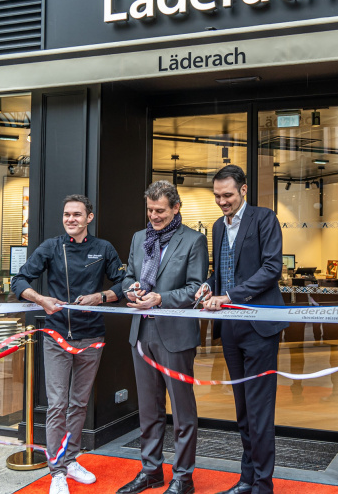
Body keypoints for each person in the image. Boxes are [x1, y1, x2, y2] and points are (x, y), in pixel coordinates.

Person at [12, 194, 125, 494]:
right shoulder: (51, 246)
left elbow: (123, 285)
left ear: (89, 218)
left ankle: (71, 458)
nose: (71, 219)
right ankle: (57, 472)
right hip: (57, 336)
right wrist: (40, 299)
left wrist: (100, 297)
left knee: (78, 405)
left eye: (77, 214)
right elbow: (19, 281)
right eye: (66, 214)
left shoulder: (103, 249)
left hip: (92, 337)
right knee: (57, 406)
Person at [197, 165, 289, 494]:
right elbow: (220, 273)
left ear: (244, 190)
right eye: (218, 196)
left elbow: (272, 268)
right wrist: (208, 287)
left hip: (260, 326)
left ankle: (263, 485)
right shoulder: (218, 228)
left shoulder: (264, 219)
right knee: (242, 410)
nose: (222, 202)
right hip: (231, 328)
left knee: (259, 410)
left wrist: (230, 295)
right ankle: (247, 479)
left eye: (228, 195)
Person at [118, 180, 208, 494]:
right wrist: (132, 288)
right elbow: (129, 276)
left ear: (175, 208)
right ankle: (151, 471)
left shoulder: (194, 241)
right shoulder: (139, 237)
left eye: (160, 211)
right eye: (150, 210)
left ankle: (183, 478)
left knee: (183, 412)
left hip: (176, 334)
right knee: (148, 409)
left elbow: (195, 288)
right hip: (141, 332)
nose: (154, 216)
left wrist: (160, 298)